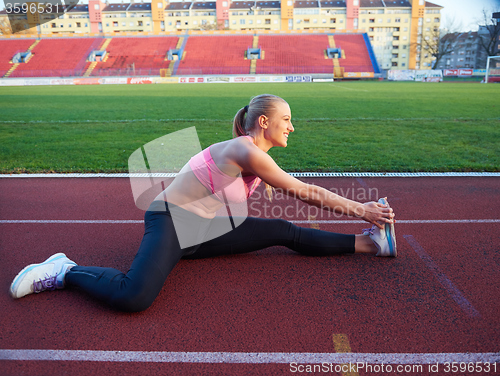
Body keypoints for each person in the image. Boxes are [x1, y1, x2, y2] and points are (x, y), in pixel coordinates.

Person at [9, 94, 396, 312]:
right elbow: (304, 191)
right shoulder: (246, 150)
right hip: (170, 221)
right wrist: (364, 208)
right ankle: (64, 271)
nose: (292, 126)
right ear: (263, 123)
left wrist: (367, 223)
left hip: (204, 226)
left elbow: (266, 187)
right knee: (134, 296)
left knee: (281, 230)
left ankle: (370, 243)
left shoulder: (249, 153)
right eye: (287, 119)